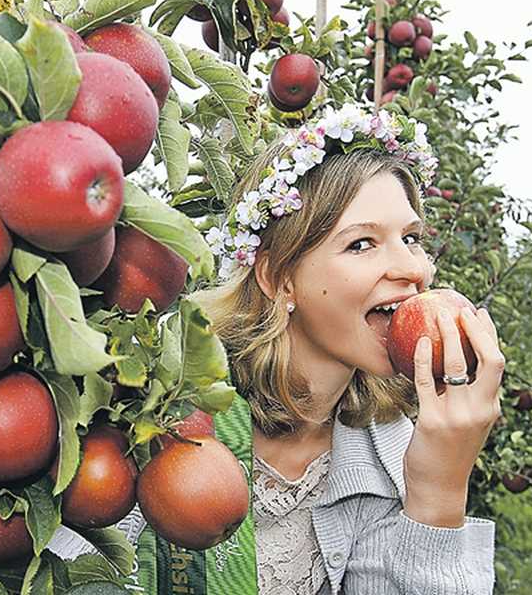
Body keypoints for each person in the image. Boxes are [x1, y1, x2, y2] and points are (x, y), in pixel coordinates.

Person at [192, 103, 504, 594]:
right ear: (278, 278)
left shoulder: (393, 448)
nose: (414, 270)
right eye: (362, 244)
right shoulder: (176, 415)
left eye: (412, 238)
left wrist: (439, 492)